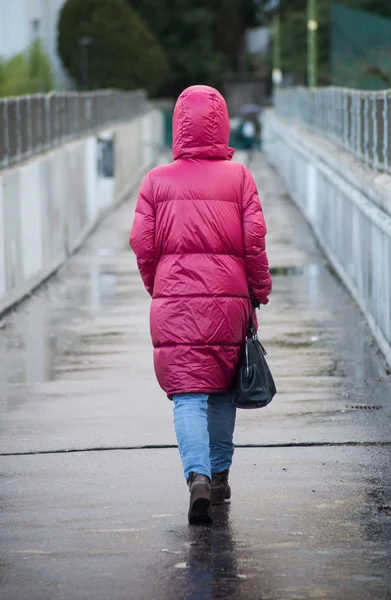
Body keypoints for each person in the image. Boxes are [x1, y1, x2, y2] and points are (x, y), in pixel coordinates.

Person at [130, 85, 272, 523]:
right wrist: (259, 290)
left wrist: (160, 287)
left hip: (174, 304)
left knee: (188, 396)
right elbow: (254, 242)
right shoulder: (240, 178)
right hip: (229, 304)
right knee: (224, 393)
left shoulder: (155, 181)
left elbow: (142, 244)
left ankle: (198, 480)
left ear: (178, 127)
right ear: (222, 124)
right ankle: (221, 474)